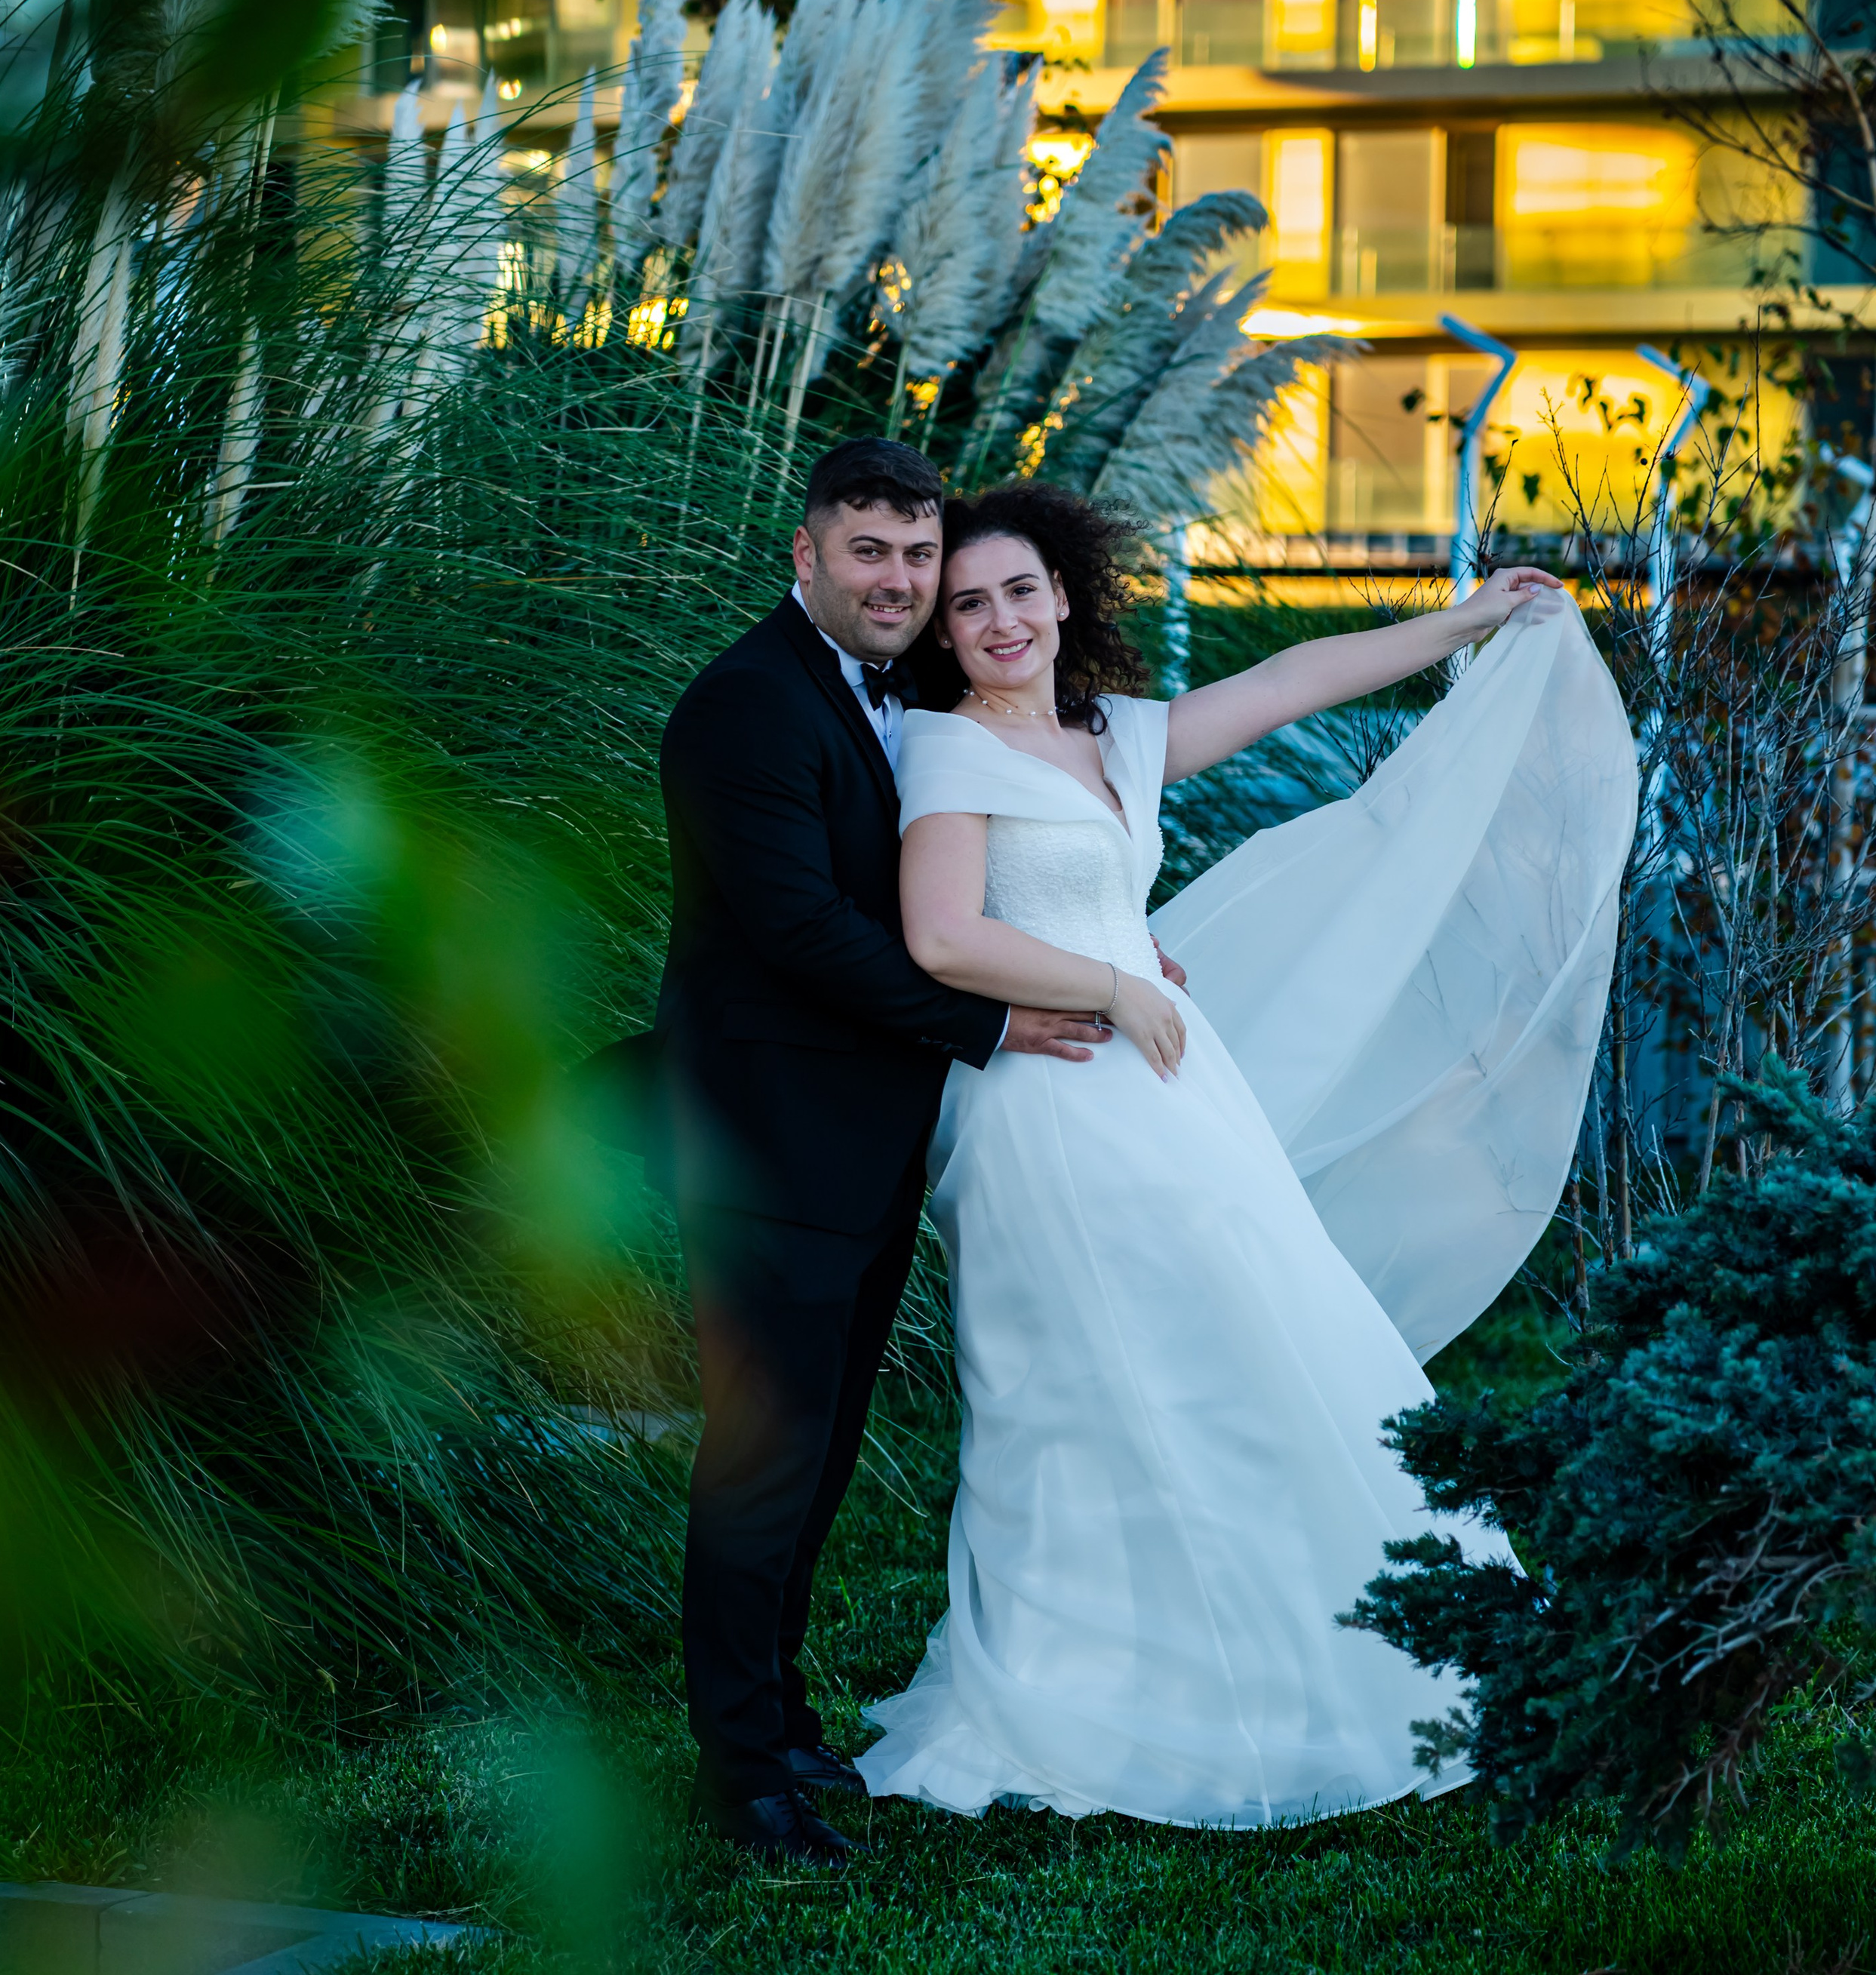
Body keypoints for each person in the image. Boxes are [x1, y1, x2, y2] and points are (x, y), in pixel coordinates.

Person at [855, 482, 1638, 1829]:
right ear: (943, 628)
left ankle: (1295, 1648)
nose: (999, 620)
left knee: (1257, 1338)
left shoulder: (1109, 735)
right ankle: (1084, 1678)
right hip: (1049, 1105)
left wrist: (1467, 620)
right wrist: (1116, 983)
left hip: (1163, 1091)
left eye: (1021, 590)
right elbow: (941, 935)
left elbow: (1287, 683)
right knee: (1081, 1385)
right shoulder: (947, 750)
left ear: (1064, 595)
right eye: (968, 602)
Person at [651, 440, 1162, 1872]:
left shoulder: (907, 699)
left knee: (811, 1460)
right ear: (805, 554)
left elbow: (970, 874)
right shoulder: (745, 706)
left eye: (918, 555)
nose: (899, 580)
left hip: (865, 1145)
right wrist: (993, 1021)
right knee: (761, 1461)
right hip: (765, 1146)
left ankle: (780, 1717)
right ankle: (742, 1777)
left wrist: (1108, 950)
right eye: (867, 551)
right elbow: (803, 932)